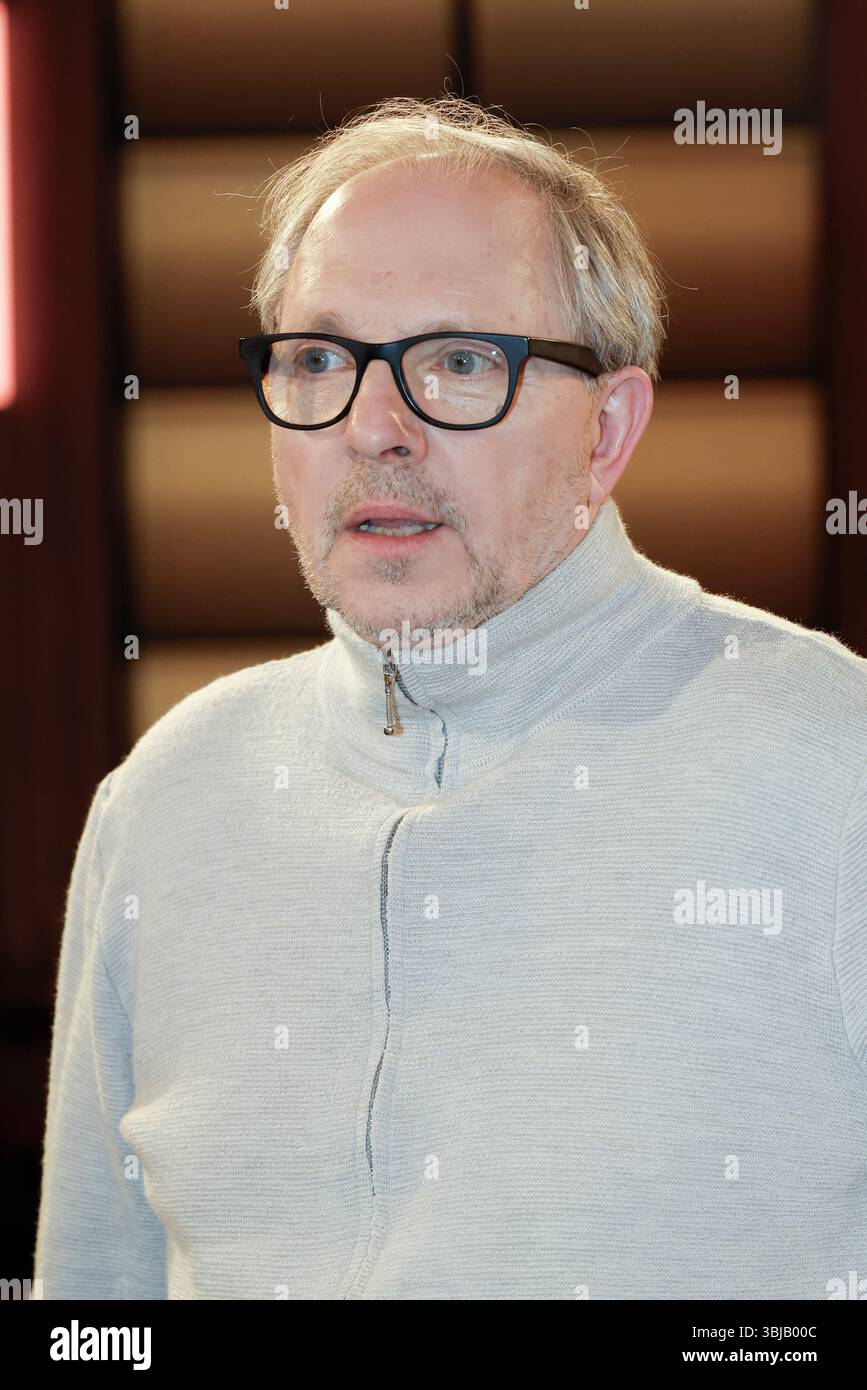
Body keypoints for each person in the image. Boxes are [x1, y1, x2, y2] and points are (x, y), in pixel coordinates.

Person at [34, 96, 867, 1300]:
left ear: (609, 429)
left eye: (461, 361)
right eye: (319, 359)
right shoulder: (168, 799)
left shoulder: (831, 768)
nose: (377, 427)